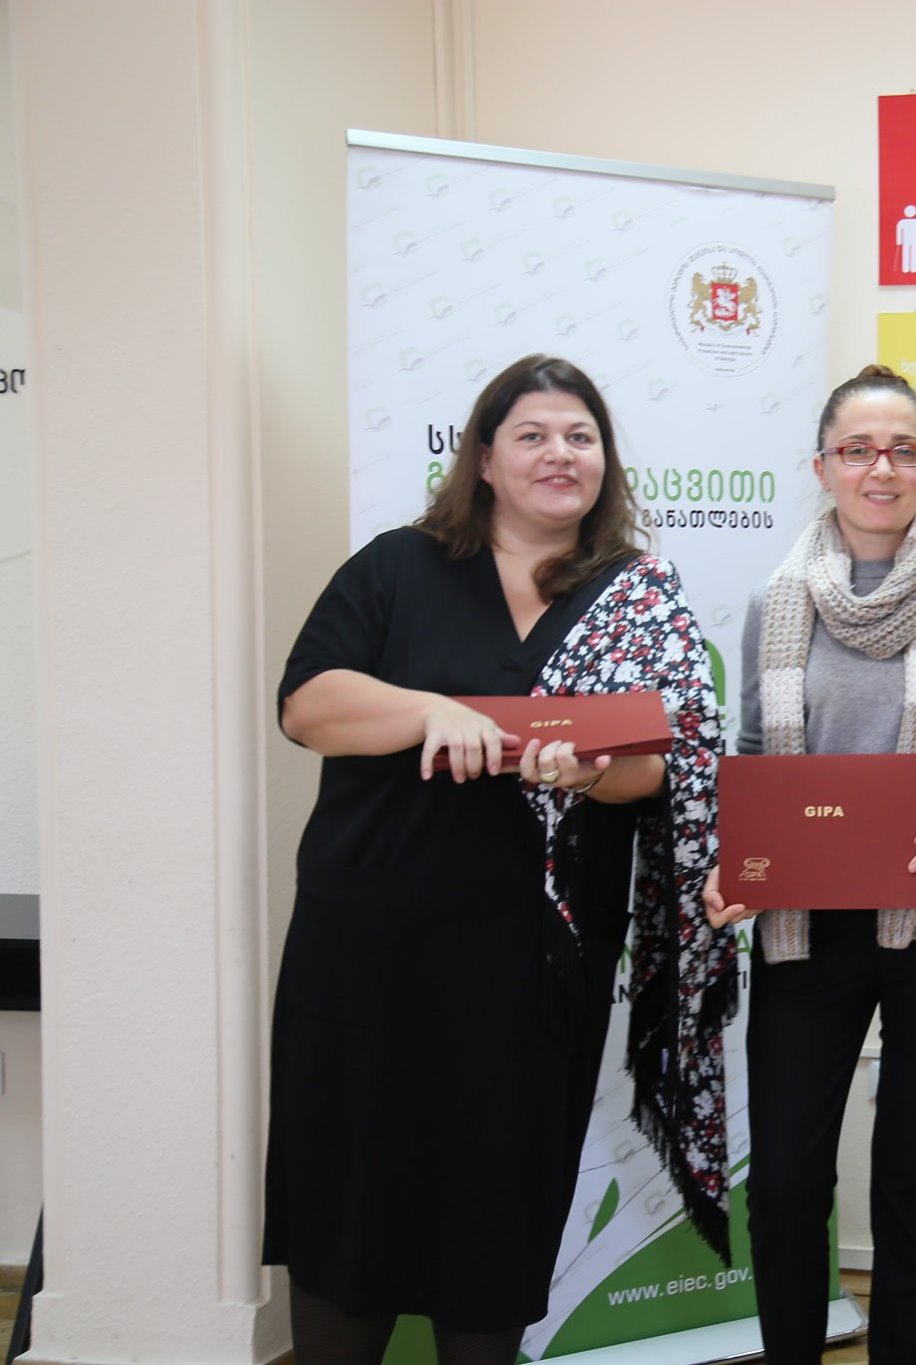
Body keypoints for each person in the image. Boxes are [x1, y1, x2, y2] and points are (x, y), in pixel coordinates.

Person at [265, 355, 730, 1365]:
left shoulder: (636, 594)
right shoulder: (397, 567)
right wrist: (431, 710)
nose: (560, 454)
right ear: (482, 459)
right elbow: (307, 705)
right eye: (532, 435)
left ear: (604, 460)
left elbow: (660, 768)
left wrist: (589, 775)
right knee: (351, 1216)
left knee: (497, 1222)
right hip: (369, 964)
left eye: (580, 437)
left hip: (530, 977)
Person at [705, 364, 916, 1365]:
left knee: (913, 1174)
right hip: (804, 927)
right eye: (857, 450)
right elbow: (756, 761)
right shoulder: (775, 601)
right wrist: (739, 866)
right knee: (784, 1181)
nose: (881, 468)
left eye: (903, 449)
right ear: (823, 466)